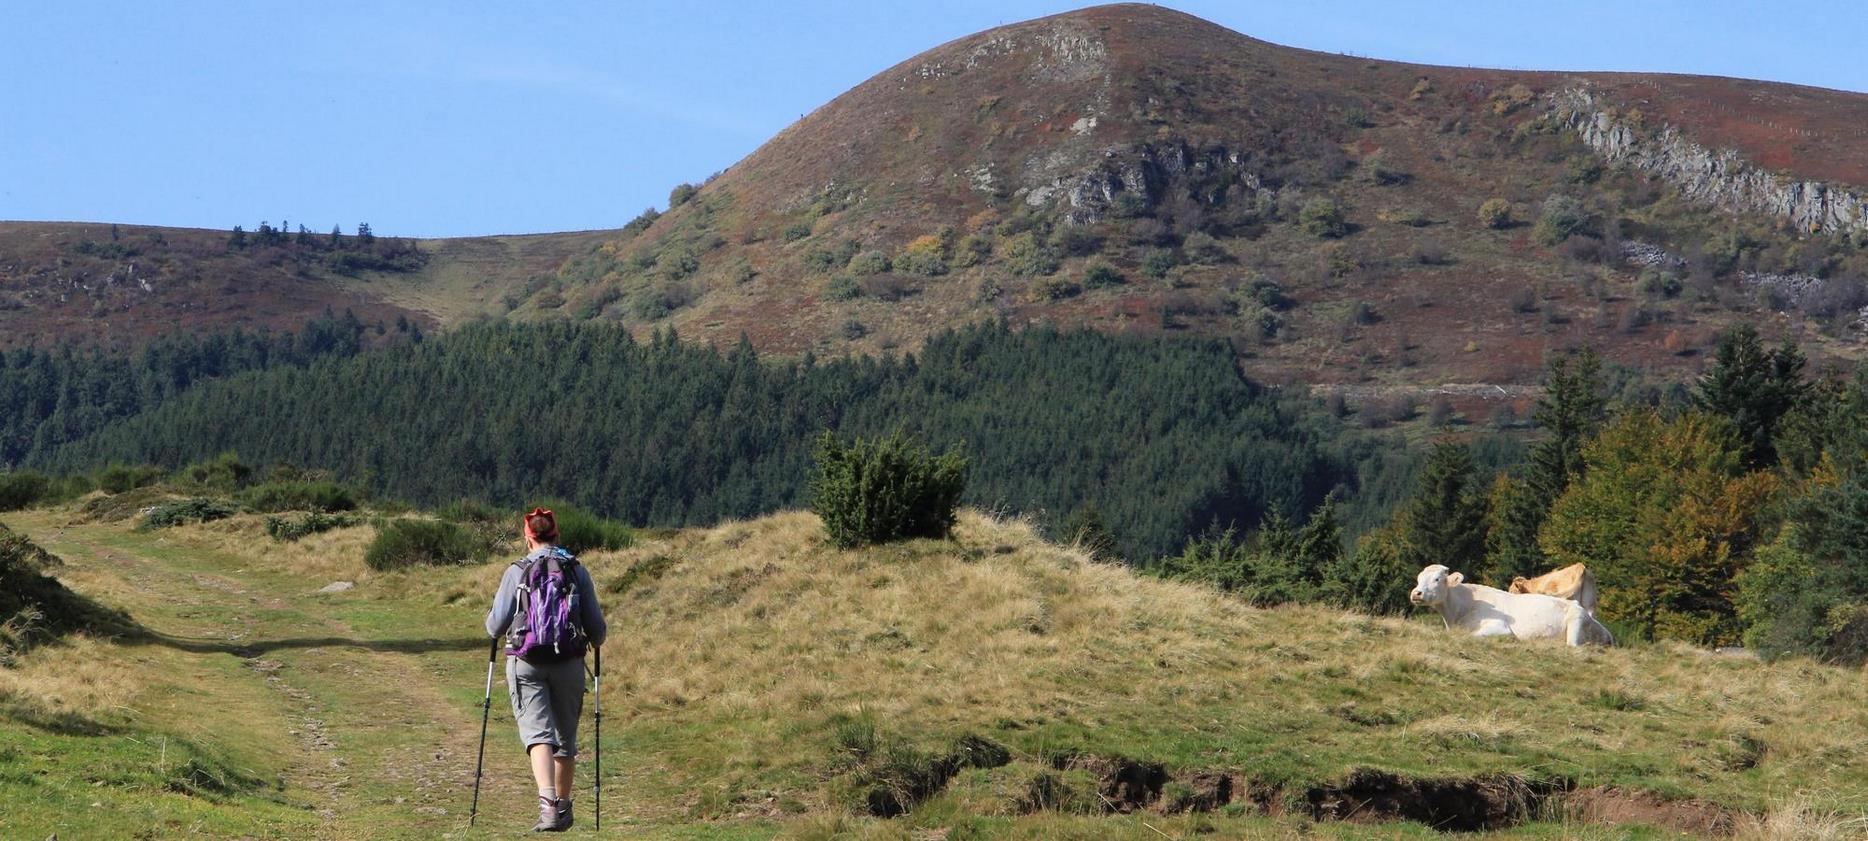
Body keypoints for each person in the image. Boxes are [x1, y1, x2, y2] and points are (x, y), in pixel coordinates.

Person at [485, 507, 607, 832]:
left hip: (525, 662)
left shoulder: (516, 571)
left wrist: (494, 625)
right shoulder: (576, 571)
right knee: (565, 737)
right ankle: (564, 808)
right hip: (568, 662)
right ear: (557, 535)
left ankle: (548, 806)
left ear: (528, 537)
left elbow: (495, 625)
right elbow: (597, 629)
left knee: (538, 733)